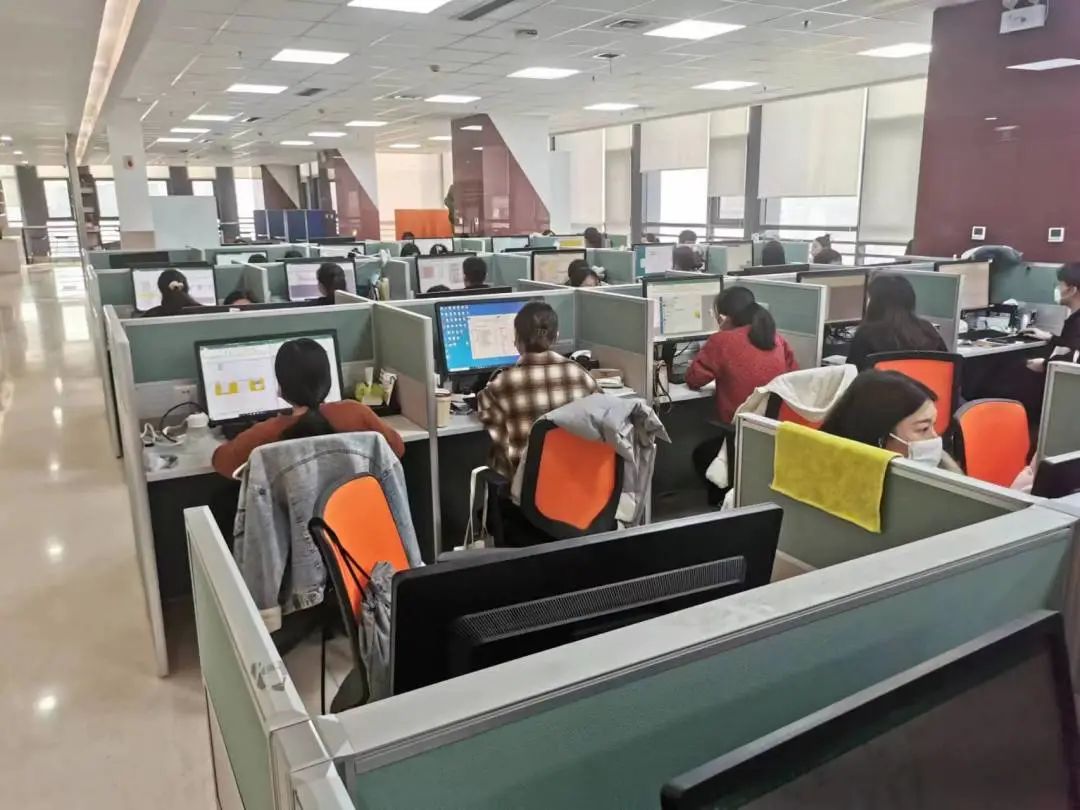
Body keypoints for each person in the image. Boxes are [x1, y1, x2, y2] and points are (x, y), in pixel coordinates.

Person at [212, 338, 404, 478]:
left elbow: (222, 463)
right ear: (327, 381)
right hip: (352, 513)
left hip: (293, 519)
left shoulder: (267, 432)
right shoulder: (354, 412)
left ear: (281, 387)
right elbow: (396, 447)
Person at [478, 302, 600, 478]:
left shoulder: (502, 385)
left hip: (525, 486)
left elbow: (485, 412)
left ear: (517, 340)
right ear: (556, 337)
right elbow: (604, 415)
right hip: (575, 483)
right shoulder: (582, 376)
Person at [686, 287, 799, 424]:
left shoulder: (721, 341)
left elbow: (694, 379)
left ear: (723, 317)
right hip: (773, 426)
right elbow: (793, 378)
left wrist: (722, 332)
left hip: (739, 424)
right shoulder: (776, 339)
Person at [821, 369, 962, 472]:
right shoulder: (830, 485)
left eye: (933, 425)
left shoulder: (944, 477)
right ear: (881, 439)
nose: (934, 438)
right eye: (923, 429)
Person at [847, 274, 947, 371]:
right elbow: (947, 365)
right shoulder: (927, 329)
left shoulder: (865, 335)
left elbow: (852, 374)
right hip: (925, 383)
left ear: (875, 303)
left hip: (884, 383)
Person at [1023, 262, 1080, 371]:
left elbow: (1076, 359)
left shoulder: (1078, 322)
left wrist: (1045, 364)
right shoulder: (1075, 318)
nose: (1057, 289)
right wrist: (1050, 337)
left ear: (1072, 290)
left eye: (1060, 284)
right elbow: (1072, 343)